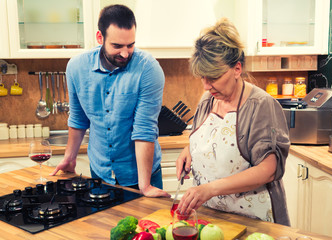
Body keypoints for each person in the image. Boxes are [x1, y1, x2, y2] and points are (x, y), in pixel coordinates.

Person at [176, 18, 290, 225]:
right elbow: (214, 139)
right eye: (202, 77)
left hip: (252, 220)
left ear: (237, 69)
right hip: (212, 218)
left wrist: (210, 189)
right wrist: (189, 150)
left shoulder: (260, 105)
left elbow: (268, 169)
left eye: (213, 77)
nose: (206, 86)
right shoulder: (208, 99)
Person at [51, 4, 170, 198]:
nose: (125, 53)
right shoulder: (76, 68)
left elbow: (144, 129)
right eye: (117, 46)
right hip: (100, 173)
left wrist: (145, 186)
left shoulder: (148, 69)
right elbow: (78, 119)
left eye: (130, 45)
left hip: (140, 174)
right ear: (100, 38)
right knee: (103, 228)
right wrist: (69, 157)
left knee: (145, 227)